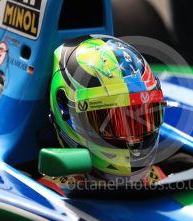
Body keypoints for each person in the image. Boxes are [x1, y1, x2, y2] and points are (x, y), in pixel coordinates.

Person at [41, 35, 167, 191]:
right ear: (65, 110)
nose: (133, 139)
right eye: (110, 122)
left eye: (143, 119)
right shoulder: (53, 190)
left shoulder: (157, 178)